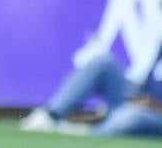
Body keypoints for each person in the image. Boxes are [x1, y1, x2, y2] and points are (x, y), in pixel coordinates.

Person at [20, 44, 162, 138]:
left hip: (152, 114)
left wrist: (153, 107)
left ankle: (89, 133)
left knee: (131, 114)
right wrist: (139, 96)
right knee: (104, 62)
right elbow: (150, 82)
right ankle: (49, 116)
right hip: (142, 102)